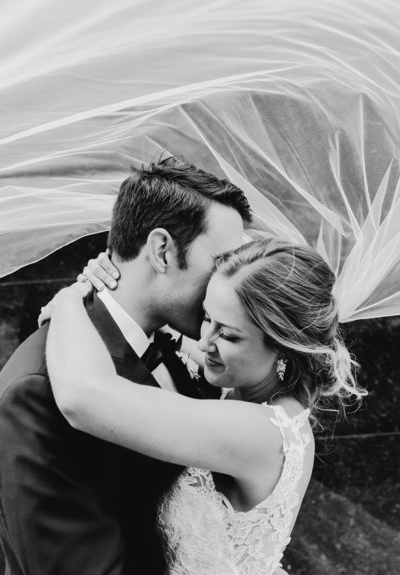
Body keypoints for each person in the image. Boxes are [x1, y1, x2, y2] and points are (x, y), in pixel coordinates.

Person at [45, 237, 366, 575]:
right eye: (206, 317)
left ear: (285, 347)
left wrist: (69, 300)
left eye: (227, 335)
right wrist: (110, 282)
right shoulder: (255, 382)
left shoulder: (258, 432)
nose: (203, 341)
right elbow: (169, 324)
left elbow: (83, 400)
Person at [0, 156, 251, 575]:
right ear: (162, 251)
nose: (230, 282)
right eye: (221, 261)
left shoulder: (175, 343)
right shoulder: (41, 389)